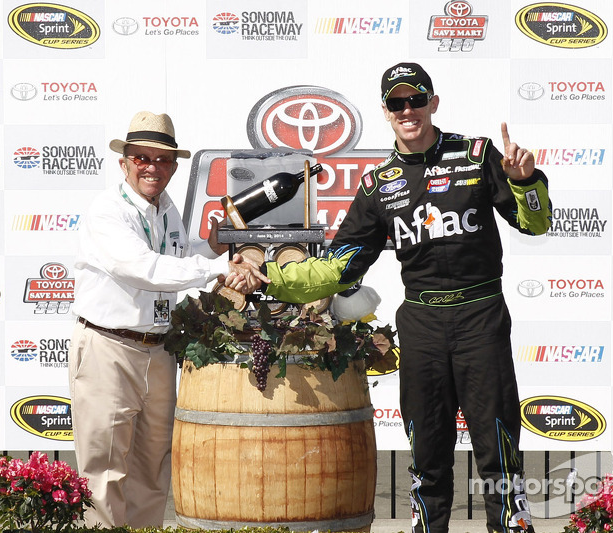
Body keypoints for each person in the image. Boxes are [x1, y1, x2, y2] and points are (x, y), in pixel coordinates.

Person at [230, 62, 552, 533]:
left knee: (498, 452)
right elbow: (339, 268)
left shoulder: (477, 154)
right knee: (427, 454)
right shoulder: (379, 183)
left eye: (416, 100)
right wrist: (270, 276)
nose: (408, 110)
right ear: (386, 111)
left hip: (480, 315)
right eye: (398, 102)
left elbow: (535, 223)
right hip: (421, 322)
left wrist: (525, 181)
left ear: (433, 103)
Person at [69, 111, 266, 528]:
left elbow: (173, 257)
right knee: (103, 472)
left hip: (157, 352)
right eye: (142, 158)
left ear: (174, 167)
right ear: (124, 163)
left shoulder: (167, 209)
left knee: (152, 469)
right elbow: (142, 268)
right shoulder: (107, 210)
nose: (152, 168)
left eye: (162, 160)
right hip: (109, 348)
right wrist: (218, 270)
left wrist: (212, 248)